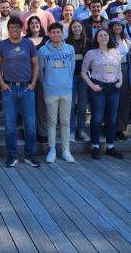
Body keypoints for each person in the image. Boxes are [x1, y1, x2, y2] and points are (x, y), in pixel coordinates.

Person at [0, 17, 40, 168]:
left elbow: (36, 65)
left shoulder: (28, 44)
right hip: (9, 89)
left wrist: (33, 83)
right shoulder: (2, 45)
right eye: (12, 27)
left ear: (22, 29)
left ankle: (30, 155)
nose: (15, 30)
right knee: (10, 125)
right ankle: (12, 155)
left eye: (17, 27)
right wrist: (1, 83)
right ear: (8, 29)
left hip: (27, 88)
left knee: (31, 125)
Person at [81, 29, 124, 160]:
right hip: (98, 88)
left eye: (105, 35)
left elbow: (119, 69)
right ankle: (95, 145)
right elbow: (83, 72)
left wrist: (120, 81)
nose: (103, 37)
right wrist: (92, 85)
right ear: (96, 38)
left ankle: (110, 146)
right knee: (97, 118)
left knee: (111, 119)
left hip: (114, 88)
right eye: (100, 35)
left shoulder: (116, 52)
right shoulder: (91, 53)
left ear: (109, 37)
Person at [38, 22, 76, 163]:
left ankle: (66, 150)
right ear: (49, 34)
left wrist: (67, 82)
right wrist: (47, 83)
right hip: (51, 91)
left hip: (66, 90)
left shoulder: (69, 49)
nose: (56, 35)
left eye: (58, 32)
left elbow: (71, 69)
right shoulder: (43, 50)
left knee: (65, 122)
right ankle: (52, 149)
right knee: (52, 122)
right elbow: (40, 72)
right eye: (53, 32)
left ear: (62, 33)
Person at [66, 20, 91, 141]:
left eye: (79, 26)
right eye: (74, 27)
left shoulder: (89, 42)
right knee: (70, 106)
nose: (77, 29)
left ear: (82, 28)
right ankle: (71, 130)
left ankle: (81, 130)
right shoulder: (66, 42)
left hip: (84, 77)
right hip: (70, 76)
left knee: (82, 105)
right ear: (71, 29)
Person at [26, 16, 49, 144]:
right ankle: (30, 132)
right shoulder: (24, 40)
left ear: (40, 25)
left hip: (43, 77)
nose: (34, 25)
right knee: (28, 107)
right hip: (27, 77)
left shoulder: (47, 40)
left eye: (37, 22)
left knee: (42, 106)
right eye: (32, 23)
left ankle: (42, 132)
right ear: (28, 26)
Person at [109, 20, 131, 140]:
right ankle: (110, 127)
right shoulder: (107, 40)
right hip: (110, 70)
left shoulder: (127, 42)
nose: (117, 27)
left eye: (119, 25)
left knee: (124, 99)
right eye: (115, 25)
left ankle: (120, 128)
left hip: (124, 68)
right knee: (112, 100)